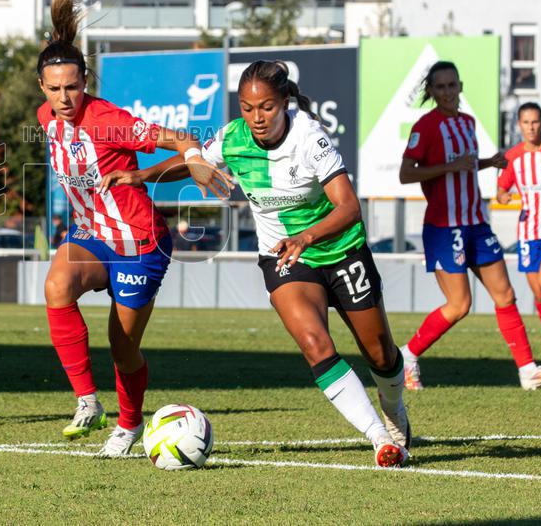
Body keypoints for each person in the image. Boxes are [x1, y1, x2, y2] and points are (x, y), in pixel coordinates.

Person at [108, 61, 413, 467]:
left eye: (266, 107)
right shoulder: (234, 137)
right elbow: (195, 163)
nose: (256, 118)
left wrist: (306, 236)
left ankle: (394, 411)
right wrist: (142, 175)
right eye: (248, 108)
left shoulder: (310, 137)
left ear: (285, 102)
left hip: (340, 249)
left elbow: (349, 207)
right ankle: (379, 439)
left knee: (380, 355)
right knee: (313, 343)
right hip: (283, 257)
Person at [38, 0, 230, 457]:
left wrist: (182, 163)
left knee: (121, 348)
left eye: (73, 87)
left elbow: (183, 139)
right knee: (56, 287)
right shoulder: (45, 117)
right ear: (42, 87)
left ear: (86, 84)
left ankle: (128, 425)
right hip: (93, 235)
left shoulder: (108, 121)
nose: (65, 97)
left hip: (139, 242)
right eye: (56, 88)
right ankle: (88, 402)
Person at [398, 61, 541, 391]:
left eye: (452, 85)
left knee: (506, 296)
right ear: (431, 91)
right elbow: (406, 173)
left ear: (460, 86)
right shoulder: (425, 127)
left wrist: (488, 163)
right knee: (460, 306)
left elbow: (464, 167)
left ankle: (528, 371)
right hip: (444, 228)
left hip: (476, 224)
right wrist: (448, 166)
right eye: (439, 87)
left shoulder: (467, 123)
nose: (447, 92)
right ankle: (408, 356)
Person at [496, 102, 541, 361]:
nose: (531, 127)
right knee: (540, 295)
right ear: (519, 125)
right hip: (528, 231)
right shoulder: (513, 156)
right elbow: (501, 188)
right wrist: (504, 195)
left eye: (535, 122)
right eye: (526, 122)